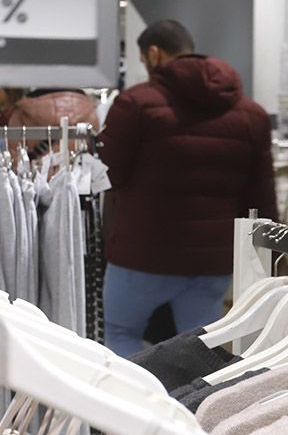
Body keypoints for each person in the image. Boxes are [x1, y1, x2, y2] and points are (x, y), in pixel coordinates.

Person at [99, 20, 277, 358]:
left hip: (141, 254)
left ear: (154, 54)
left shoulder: (135, 104)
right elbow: (261, 199)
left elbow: (110, 175)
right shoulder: (251, 114)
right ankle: (187, 409)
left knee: (120, 334)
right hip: (211, 261)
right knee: (197, 351)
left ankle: (136, 406)